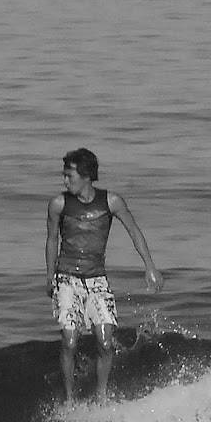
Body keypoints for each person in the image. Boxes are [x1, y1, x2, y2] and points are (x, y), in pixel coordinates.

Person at [44, 148, 163, 403]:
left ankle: (101, 396)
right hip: (67, 279)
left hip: (97, 280)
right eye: (64, 175)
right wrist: (49, 276)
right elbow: (52, 239)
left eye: (69, 175)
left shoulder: (111, 202)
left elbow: (134, 231)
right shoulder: (58, 204)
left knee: (105, 342)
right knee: (69, 341)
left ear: (86, 175)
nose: (65, 181)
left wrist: (150, 266)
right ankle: (69, 399)